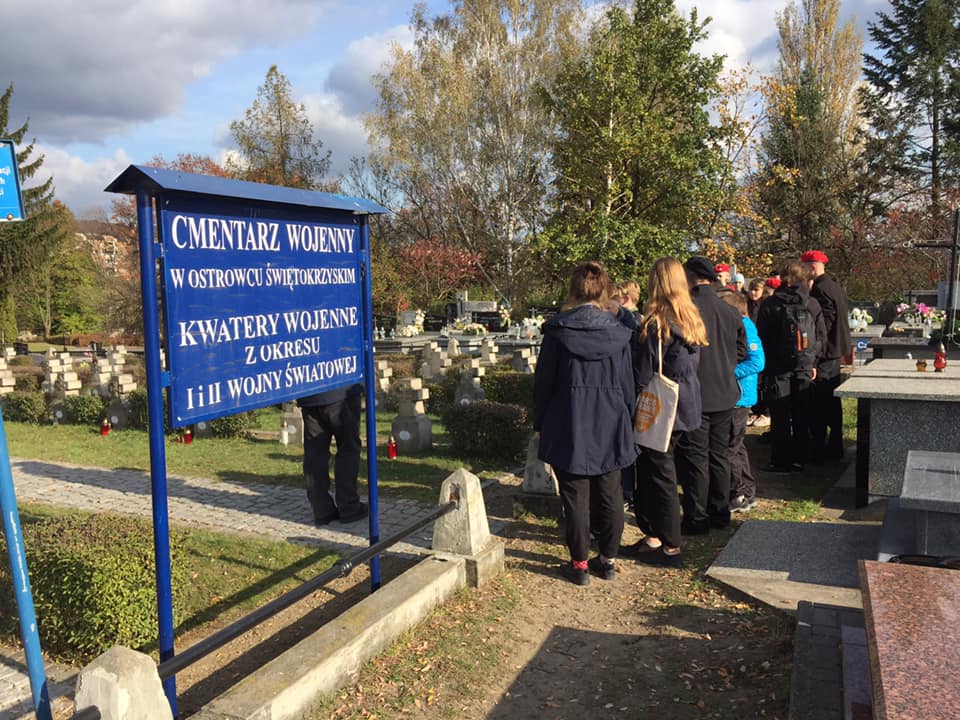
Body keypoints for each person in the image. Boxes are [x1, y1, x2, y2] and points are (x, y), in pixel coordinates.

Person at [534, 261, 637, 585]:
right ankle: (607, 559)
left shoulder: (558, 330)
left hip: (570, 417)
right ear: (603, 290)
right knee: (610, 493)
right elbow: (627, 383)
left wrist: (540, 422)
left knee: (575, 496)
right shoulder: (618, 331)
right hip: (610, 417)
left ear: (573, 290)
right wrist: (629, 417)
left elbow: (544, 382)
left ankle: (579, 564)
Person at [620, 257, 706, 567]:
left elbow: (642, 373)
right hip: (686, 405)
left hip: (661, 408)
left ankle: (671, 547)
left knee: (660, 477)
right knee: (658, 473)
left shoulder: (657, 324)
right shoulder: (690, 319)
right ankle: (655, 535)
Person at [675, 256, 746, 535]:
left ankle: (697, 515)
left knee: (696, 457)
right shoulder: (729, 310)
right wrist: (725, 365)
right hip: (725, 391)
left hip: (696, 392)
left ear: (691, 276)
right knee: (719, 455)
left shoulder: (687, 310)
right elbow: (741, 350)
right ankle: (720, 510)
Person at [755, 261, 826, 473]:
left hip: (777, 367)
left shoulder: (770, 304)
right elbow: (820, 336)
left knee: (780, 414)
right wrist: (814, 361)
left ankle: (780, 460)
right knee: (802, 412)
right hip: (804, 365)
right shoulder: (812, 303)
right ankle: (801, 458)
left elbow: (762, 337)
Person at [718, 289, 765, 512]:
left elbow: (757, 361)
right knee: (737, 446)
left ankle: (737, 493)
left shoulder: (746, 327)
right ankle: (746, 489)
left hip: (739, 395)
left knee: (730, 446)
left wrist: (728, 372)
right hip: (737, 394)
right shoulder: (740, 326)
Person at [803, 250, 851, 462]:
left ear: (813, 268)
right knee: (832, 402)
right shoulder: (834, 286)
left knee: (820, 403)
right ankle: (835, 446)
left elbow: (824, 325)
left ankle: (819, 449)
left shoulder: (820, 290)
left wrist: (814, 353)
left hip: (826, 352)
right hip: (835, 351)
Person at [298, 384, 368, 525]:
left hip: (310, 394)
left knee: (315, 454)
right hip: (340, 391)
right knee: (348, 449)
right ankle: (349, 506)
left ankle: (322, 509)